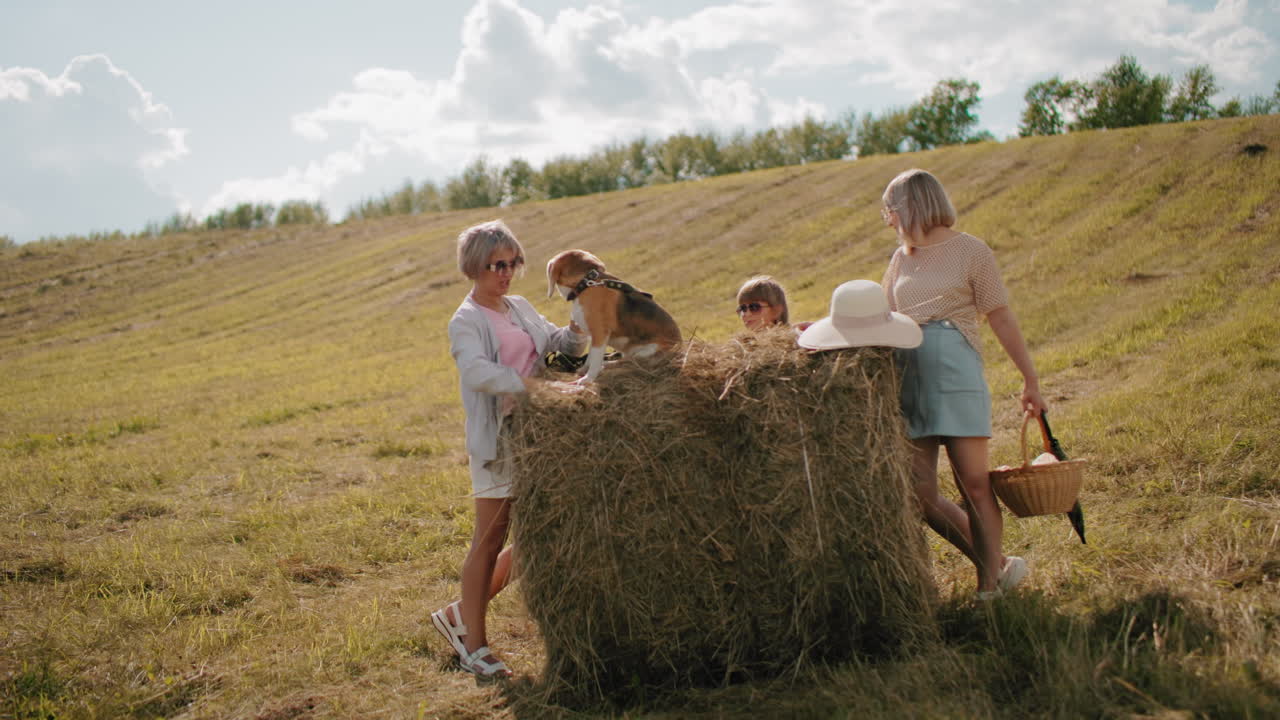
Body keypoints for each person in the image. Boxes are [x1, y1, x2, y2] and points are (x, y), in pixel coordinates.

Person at [879, 169, 1047, 599]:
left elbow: (1000, 314)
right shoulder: (901, 259)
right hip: (910, 381)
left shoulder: (970, 250)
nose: (888, 220)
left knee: (973, 484)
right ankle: (1001, 566)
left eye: (890, 210)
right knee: (919, 495)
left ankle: (988, 587)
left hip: (956, 374)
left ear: (911, 205)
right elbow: (882, 319)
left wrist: (1030, 379)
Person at [431, 219, 587, 681]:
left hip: (539, 435)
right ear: (474, 267)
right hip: (499, 443)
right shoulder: (466, 321)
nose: (505, 272)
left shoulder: (518, 307)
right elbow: (476, 372)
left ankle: (460, 614)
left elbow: (558, 344)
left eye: (512, 263)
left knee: (540, 532)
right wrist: (532, 387)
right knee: (490, 539)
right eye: (495, 265)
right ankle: (474, 647)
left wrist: (580, 315)